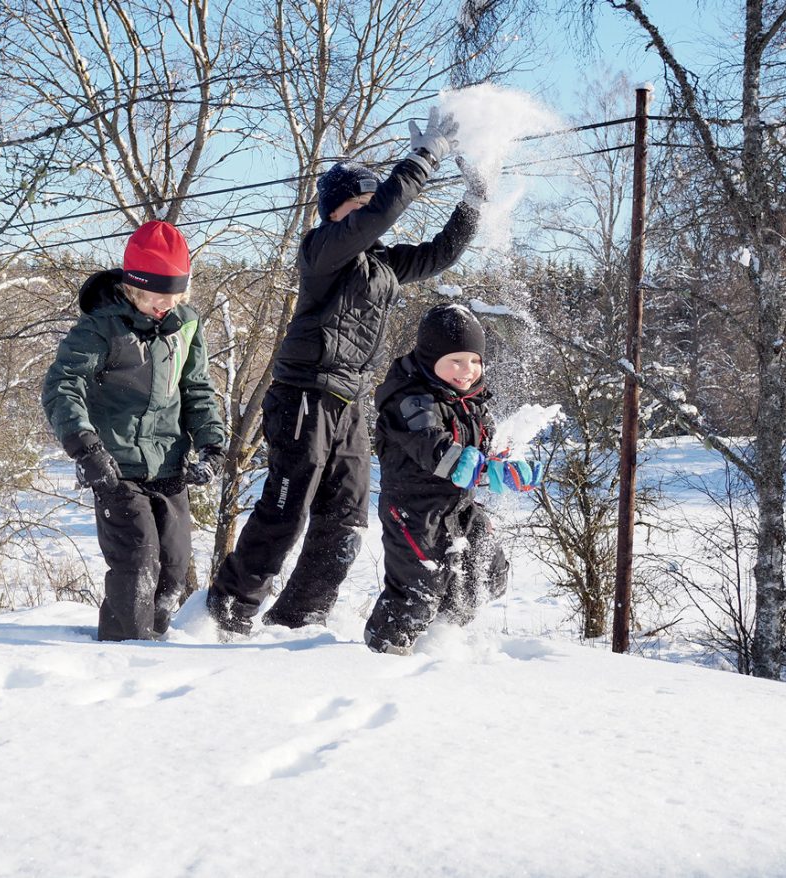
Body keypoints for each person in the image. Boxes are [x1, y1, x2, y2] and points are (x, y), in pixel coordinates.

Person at [207, 108, 486, 635]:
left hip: (347, 401)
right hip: (303, 395)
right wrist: (424, 157)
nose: (367, 215)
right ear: (336, 213)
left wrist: (474, 199)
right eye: (358, 206)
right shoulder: (322, 251)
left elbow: (440, 254)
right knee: (286, 510)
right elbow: (380, 216)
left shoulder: (381, 266)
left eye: (367, 205)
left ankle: (299, 621)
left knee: (347, 519)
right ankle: (227, 611)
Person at [43, 220, 225, 642]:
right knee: (138, 563)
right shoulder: (101, 329)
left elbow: (196, 388)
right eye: (157, 295)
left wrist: (211, 443)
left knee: (173, 569)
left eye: (175, 295)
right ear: (133, 287)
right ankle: (125, 652)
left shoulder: (185, 325)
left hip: (169, 465)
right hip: (116, 467)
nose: (167, 304)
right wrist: (85, 446)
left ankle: (152, 645)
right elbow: (62, 384)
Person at [364, 303, 536, 656]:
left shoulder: (472, 402)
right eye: (455, 361)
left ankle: (441, 644)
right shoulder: (409, 400)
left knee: (485, 573)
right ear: (430, 358)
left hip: (459, 507)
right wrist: (476, 467)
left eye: (474, 360)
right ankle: (383, 649)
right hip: (414, 512)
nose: (467, 370)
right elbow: (433, 447)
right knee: (420, 586)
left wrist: (508, 464)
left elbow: (490, 447)